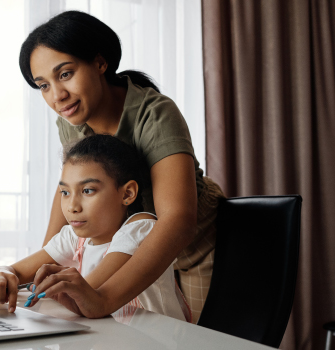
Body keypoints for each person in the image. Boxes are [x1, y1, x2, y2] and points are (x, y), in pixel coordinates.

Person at [16, 10, 225, 322]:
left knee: (197, 339)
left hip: (193, 243)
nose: (57, 96)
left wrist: (103, 299)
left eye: (65, 74)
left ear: (100, 63)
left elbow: (178, 220)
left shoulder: (155, 114)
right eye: (43, 85)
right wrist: (42, 269)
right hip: (129, 242)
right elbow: (69, 190)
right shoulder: (71, 120)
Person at [0, 135, 190, 322]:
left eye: (88, 190)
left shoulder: (141, 228)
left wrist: (46, 285)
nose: (72, 207)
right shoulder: (75, 237)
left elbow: (88, 294)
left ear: (127, 194)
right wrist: (1, 273)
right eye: (65, 192)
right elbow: (17, 270)